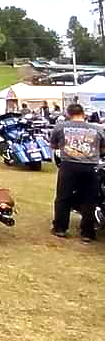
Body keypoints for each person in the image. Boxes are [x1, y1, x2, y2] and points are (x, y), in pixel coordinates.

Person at [49, 102, 105, 242]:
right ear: (83, 114)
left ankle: (60, 228)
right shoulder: (97, 128)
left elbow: (54, 145)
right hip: (90, 167)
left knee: (63, 197)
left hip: (69, 166)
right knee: (89, 199)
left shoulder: (60, 127)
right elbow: (103, 148)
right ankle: (87, 233)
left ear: (68, 114)